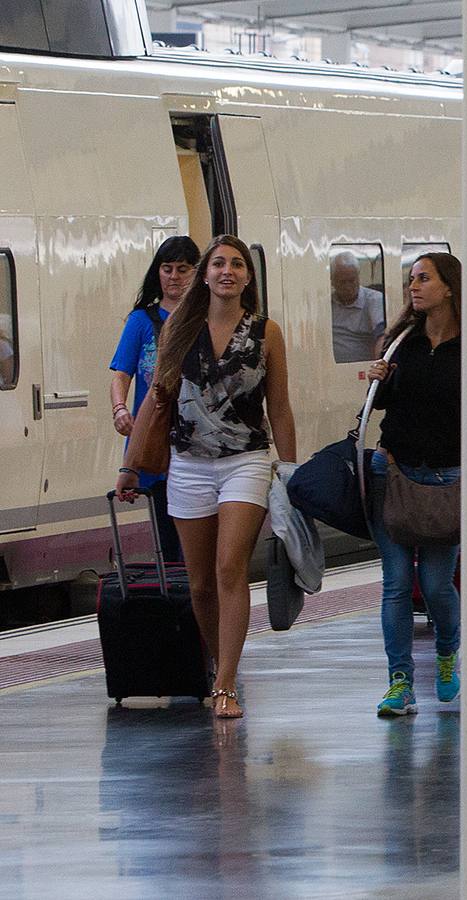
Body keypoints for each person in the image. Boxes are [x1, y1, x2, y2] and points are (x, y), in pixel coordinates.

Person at [116, 236, 296, 720]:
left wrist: (291, 471)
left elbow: (278, 406)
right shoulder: (178, 326)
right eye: (218, 263)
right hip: (188, 463)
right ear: (206, 275)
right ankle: (221, 662)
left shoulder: (266, 333)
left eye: (237, 264)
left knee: (228, 567)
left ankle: (225, 684)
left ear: (248, 277)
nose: (227, 271)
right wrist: (131, 465)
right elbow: (157, 399)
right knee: (199, 585)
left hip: (247, 460)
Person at [364, 252, 463, 717]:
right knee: (398, 583)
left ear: (449, 287)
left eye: (424, 279)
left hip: (448, 481)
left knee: (437, 585)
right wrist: (380, 378)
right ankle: (399, 682)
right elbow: (382, 405)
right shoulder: (401, 342)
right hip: (395, 473)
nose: (415, 287)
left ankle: (447, 654)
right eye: (412, 280)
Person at [109, 235, 199, 561]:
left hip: (198, 441)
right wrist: (120, 408)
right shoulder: (141, 322)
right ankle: (179, 600)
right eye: (167, 268)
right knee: (167, 533)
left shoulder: (206, 320)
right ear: (157, 273)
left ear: (196, 273)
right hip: (157, 440)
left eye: (182, 269)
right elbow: (121, 373)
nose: (174, 276)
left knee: (198, 537)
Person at [329, 251, 386, 363]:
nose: (348, 287)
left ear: (358, 277)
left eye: (352, 281)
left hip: (362, 370)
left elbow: (382, 336)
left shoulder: (374, 300)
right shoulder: (326, 304)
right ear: (332, 281)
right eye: (342, 282)